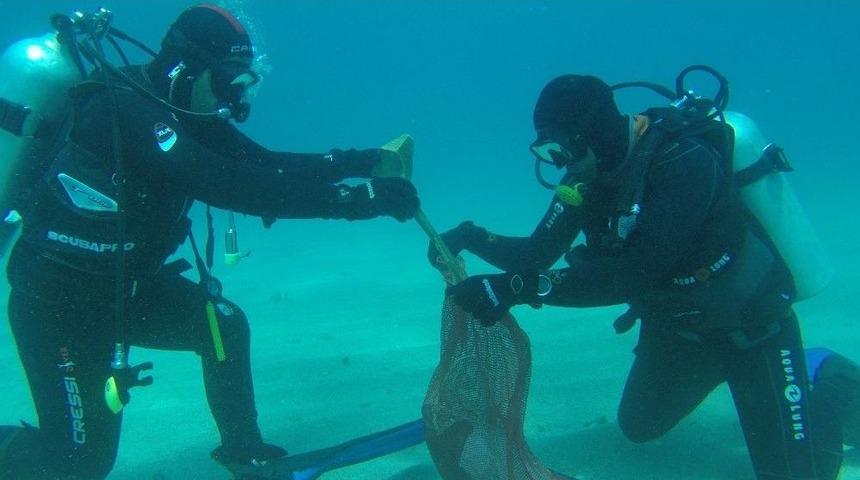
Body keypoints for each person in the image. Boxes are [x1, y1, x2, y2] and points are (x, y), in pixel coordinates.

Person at [0, 4, 418, 479]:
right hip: (59, 307)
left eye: (242, 83)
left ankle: (245, 455)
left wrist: (358, 161)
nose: (231, 99)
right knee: (76, 463)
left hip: (125, 290)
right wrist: (356, 200)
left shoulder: (184, 111)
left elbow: (261, 165)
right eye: (226, 82)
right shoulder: (125, 107)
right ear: (186, 68)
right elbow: (224, 183)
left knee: (221, 326)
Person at [430, 73, 857, 480]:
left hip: (751, 330)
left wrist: (517, 289)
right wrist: (471, 236)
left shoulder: (684, 161)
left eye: (562, 146)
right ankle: (739, 381)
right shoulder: (589, 175)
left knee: (801, 475)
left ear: (592, 132)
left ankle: (828, 376)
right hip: (680, 332)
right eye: (550, 150)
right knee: (639, 426)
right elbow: (537, 253)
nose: (561, 161)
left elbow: (636, 273)